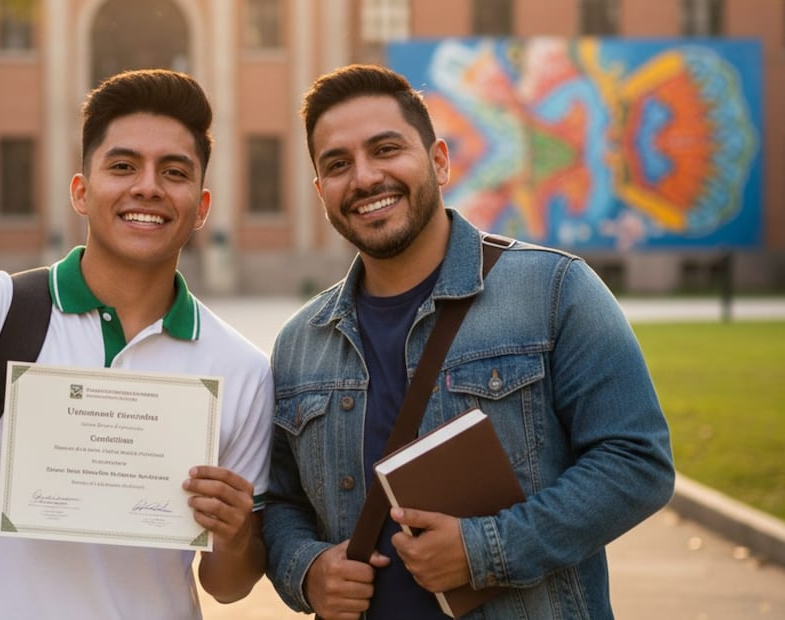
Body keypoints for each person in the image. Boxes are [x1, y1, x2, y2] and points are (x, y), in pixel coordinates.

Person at [0, 69, 273, 619]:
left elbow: (228, 586)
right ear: (81, 192)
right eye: (123, 166)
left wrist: (233, 537)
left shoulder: (242, 369)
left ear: (200, 207)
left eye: (173, 171)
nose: (148, 187)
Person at [262, 64, 675, 619]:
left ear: (439, 161)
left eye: (386, 149)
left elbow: (637, 462)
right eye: (338, 164)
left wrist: (487, 550)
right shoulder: (297, 344)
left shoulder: (554, 291)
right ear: (320, 191)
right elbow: (280, 502)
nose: (363, 178)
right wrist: (307, 570)